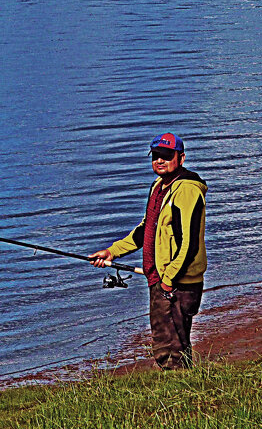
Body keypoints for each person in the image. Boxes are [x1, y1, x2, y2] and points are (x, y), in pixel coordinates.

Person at [89, 132, 207, 369]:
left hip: (177, 283)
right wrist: (112, 252)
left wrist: (168, 281)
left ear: (181, 158)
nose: (160, 160)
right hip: (161, 279)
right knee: (172, 344)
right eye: (156, 156)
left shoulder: (186, 190)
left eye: (167, 155)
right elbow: (146, 230)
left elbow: (189, 243)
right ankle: (186, 383)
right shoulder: (159, 186)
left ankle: (179, 386)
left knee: (169, 349)